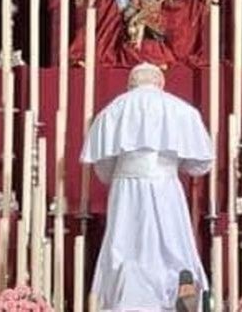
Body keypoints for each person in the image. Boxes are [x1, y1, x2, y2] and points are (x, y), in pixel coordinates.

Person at [81, 64, 213, 311]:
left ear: (131, 84)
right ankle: (178, 294)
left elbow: (102, 169)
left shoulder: (113, 110)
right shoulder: (180, 109)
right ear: (160, 83)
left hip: (125, 189)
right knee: (171, 243)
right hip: (165, 187)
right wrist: (172, 161)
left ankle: (123, 299)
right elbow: (201, 165)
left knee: (124, 245)